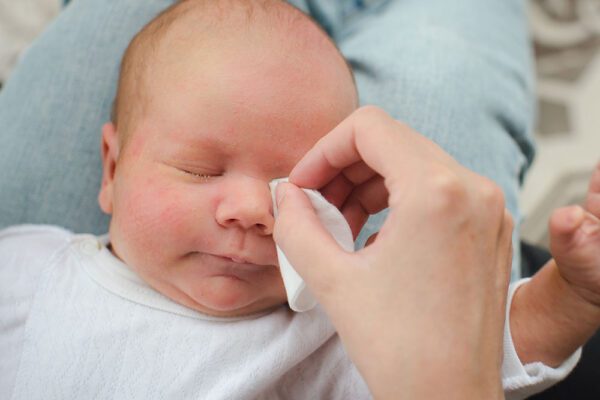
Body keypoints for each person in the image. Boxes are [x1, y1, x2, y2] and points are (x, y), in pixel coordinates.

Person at [0, 1, 597, 399]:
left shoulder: (323, 330)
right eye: (199, 170)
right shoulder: (32, 269)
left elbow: (470, 343)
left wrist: (566, 296)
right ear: (110, 168)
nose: (254, 210)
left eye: (295, 186)